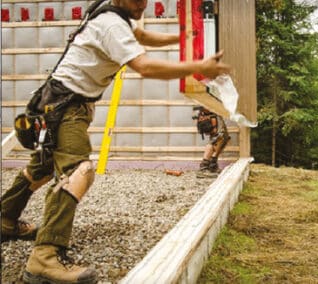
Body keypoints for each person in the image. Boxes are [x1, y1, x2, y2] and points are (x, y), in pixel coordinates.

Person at [0, 0, 230, 283]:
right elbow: (144, 66)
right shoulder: (110, 24)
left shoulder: (115, 14)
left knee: (41, 169)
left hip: (57, 101)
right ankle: (44, 258)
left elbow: (143, 37)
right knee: (78, 172)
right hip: (65, 106)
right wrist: (198, 65)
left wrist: (181, 37)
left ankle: (5, 219)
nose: (142, 4)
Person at [193, 106, 231, 178]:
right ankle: (203, 168)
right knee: (216, 137)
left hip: (211, 111)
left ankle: (212, 165)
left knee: (224, 138)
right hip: (210, 111)